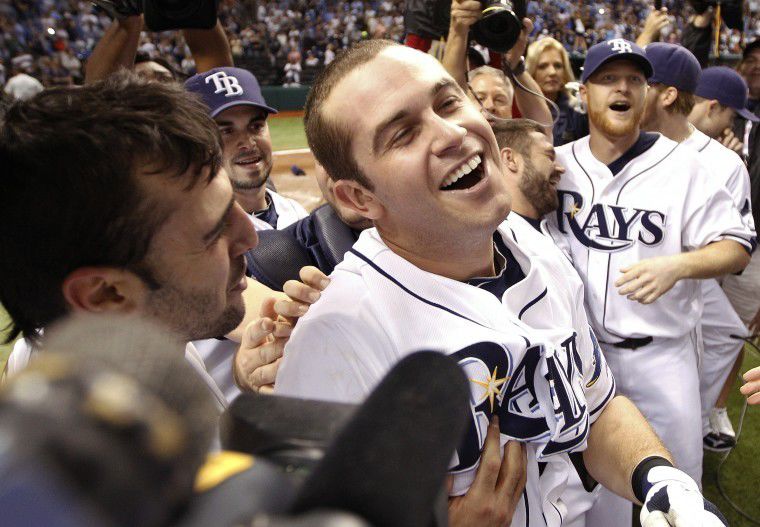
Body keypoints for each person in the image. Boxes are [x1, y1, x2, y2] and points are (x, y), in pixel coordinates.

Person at [270, 39, 728, 526]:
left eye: (448, 102)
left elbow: (597, 405)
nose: (451, 133)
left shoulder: (530, 244)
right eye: (402, 134)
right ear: (359, 197)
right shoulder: (335, 336)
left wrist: (656, 478)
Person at [551, 39, 752, 526]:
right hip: (580, 360)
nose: (622, 88)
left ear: (647, 94)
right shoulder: (557, 165)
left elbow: (736, 246)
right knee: (588, 498)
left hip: (660, 359)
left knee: (674, 494)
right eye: (608, 79)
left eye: (635, 81)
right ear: (584, 93)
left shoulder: (685, 166)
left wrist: (677, 266)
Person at [0, 72, 259, 410]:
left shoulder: (116, 344)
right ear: (106, 295)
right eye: (213, 234)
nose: (250, 237)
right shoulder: (149, 452)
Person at [640, 44, 756, 453]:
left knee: (723, 336)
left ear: (665, 93)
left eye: (637, 81)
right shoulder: (611, 139)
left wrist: (686, 268)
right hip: (616, 290)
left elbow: (736, 248)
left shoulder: (723, 163)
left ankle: (700, 413)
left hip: (687, 289)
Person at [183, 66, 308, 401]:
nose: (247, 142)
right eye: (226, 131)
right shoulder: (191, 237)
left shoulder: (293, 211)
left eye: (256, 126)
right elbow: (269, 319)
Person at [442, 0, 552, 128]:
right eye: (480, 98)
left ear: (512, 111)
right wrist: (458, 31)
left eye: (500, 100)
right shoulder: (458, 141)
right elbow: (447, 97)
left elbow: (544, 127)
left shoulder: (523, 143)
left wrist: (515, 65)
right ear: (463, 104)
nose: (490, 106)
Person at [525, 37, 589, 146]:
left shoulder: (578, 112)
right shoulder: (517, 110)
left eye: (558, 66)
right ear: (532, 71)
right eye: (543, 66)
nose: (552, 72)